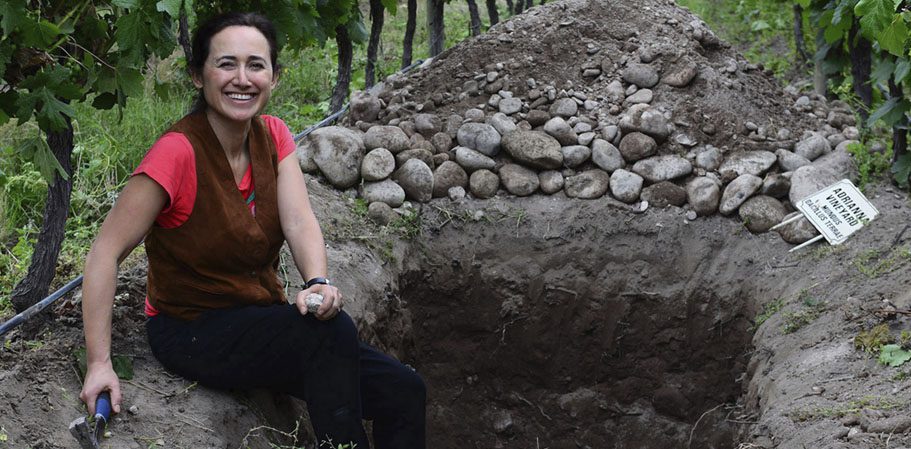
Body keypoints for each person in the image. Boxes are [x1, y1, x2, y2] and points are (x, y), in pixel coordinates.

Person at [79, 12, 425, 448]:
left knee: (405, 391)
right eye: (226, 64)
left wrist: (318, 283)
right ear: (196, 75)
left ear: (274, 77)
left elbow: (299, 220)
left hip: (259, 318)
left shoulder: (273, 135)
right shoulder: (177, 153)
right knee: (331, 334)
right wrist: (99, 364)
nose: (241, 79)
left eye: (256, 65)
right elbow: (104, 253)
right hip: (191, 328)